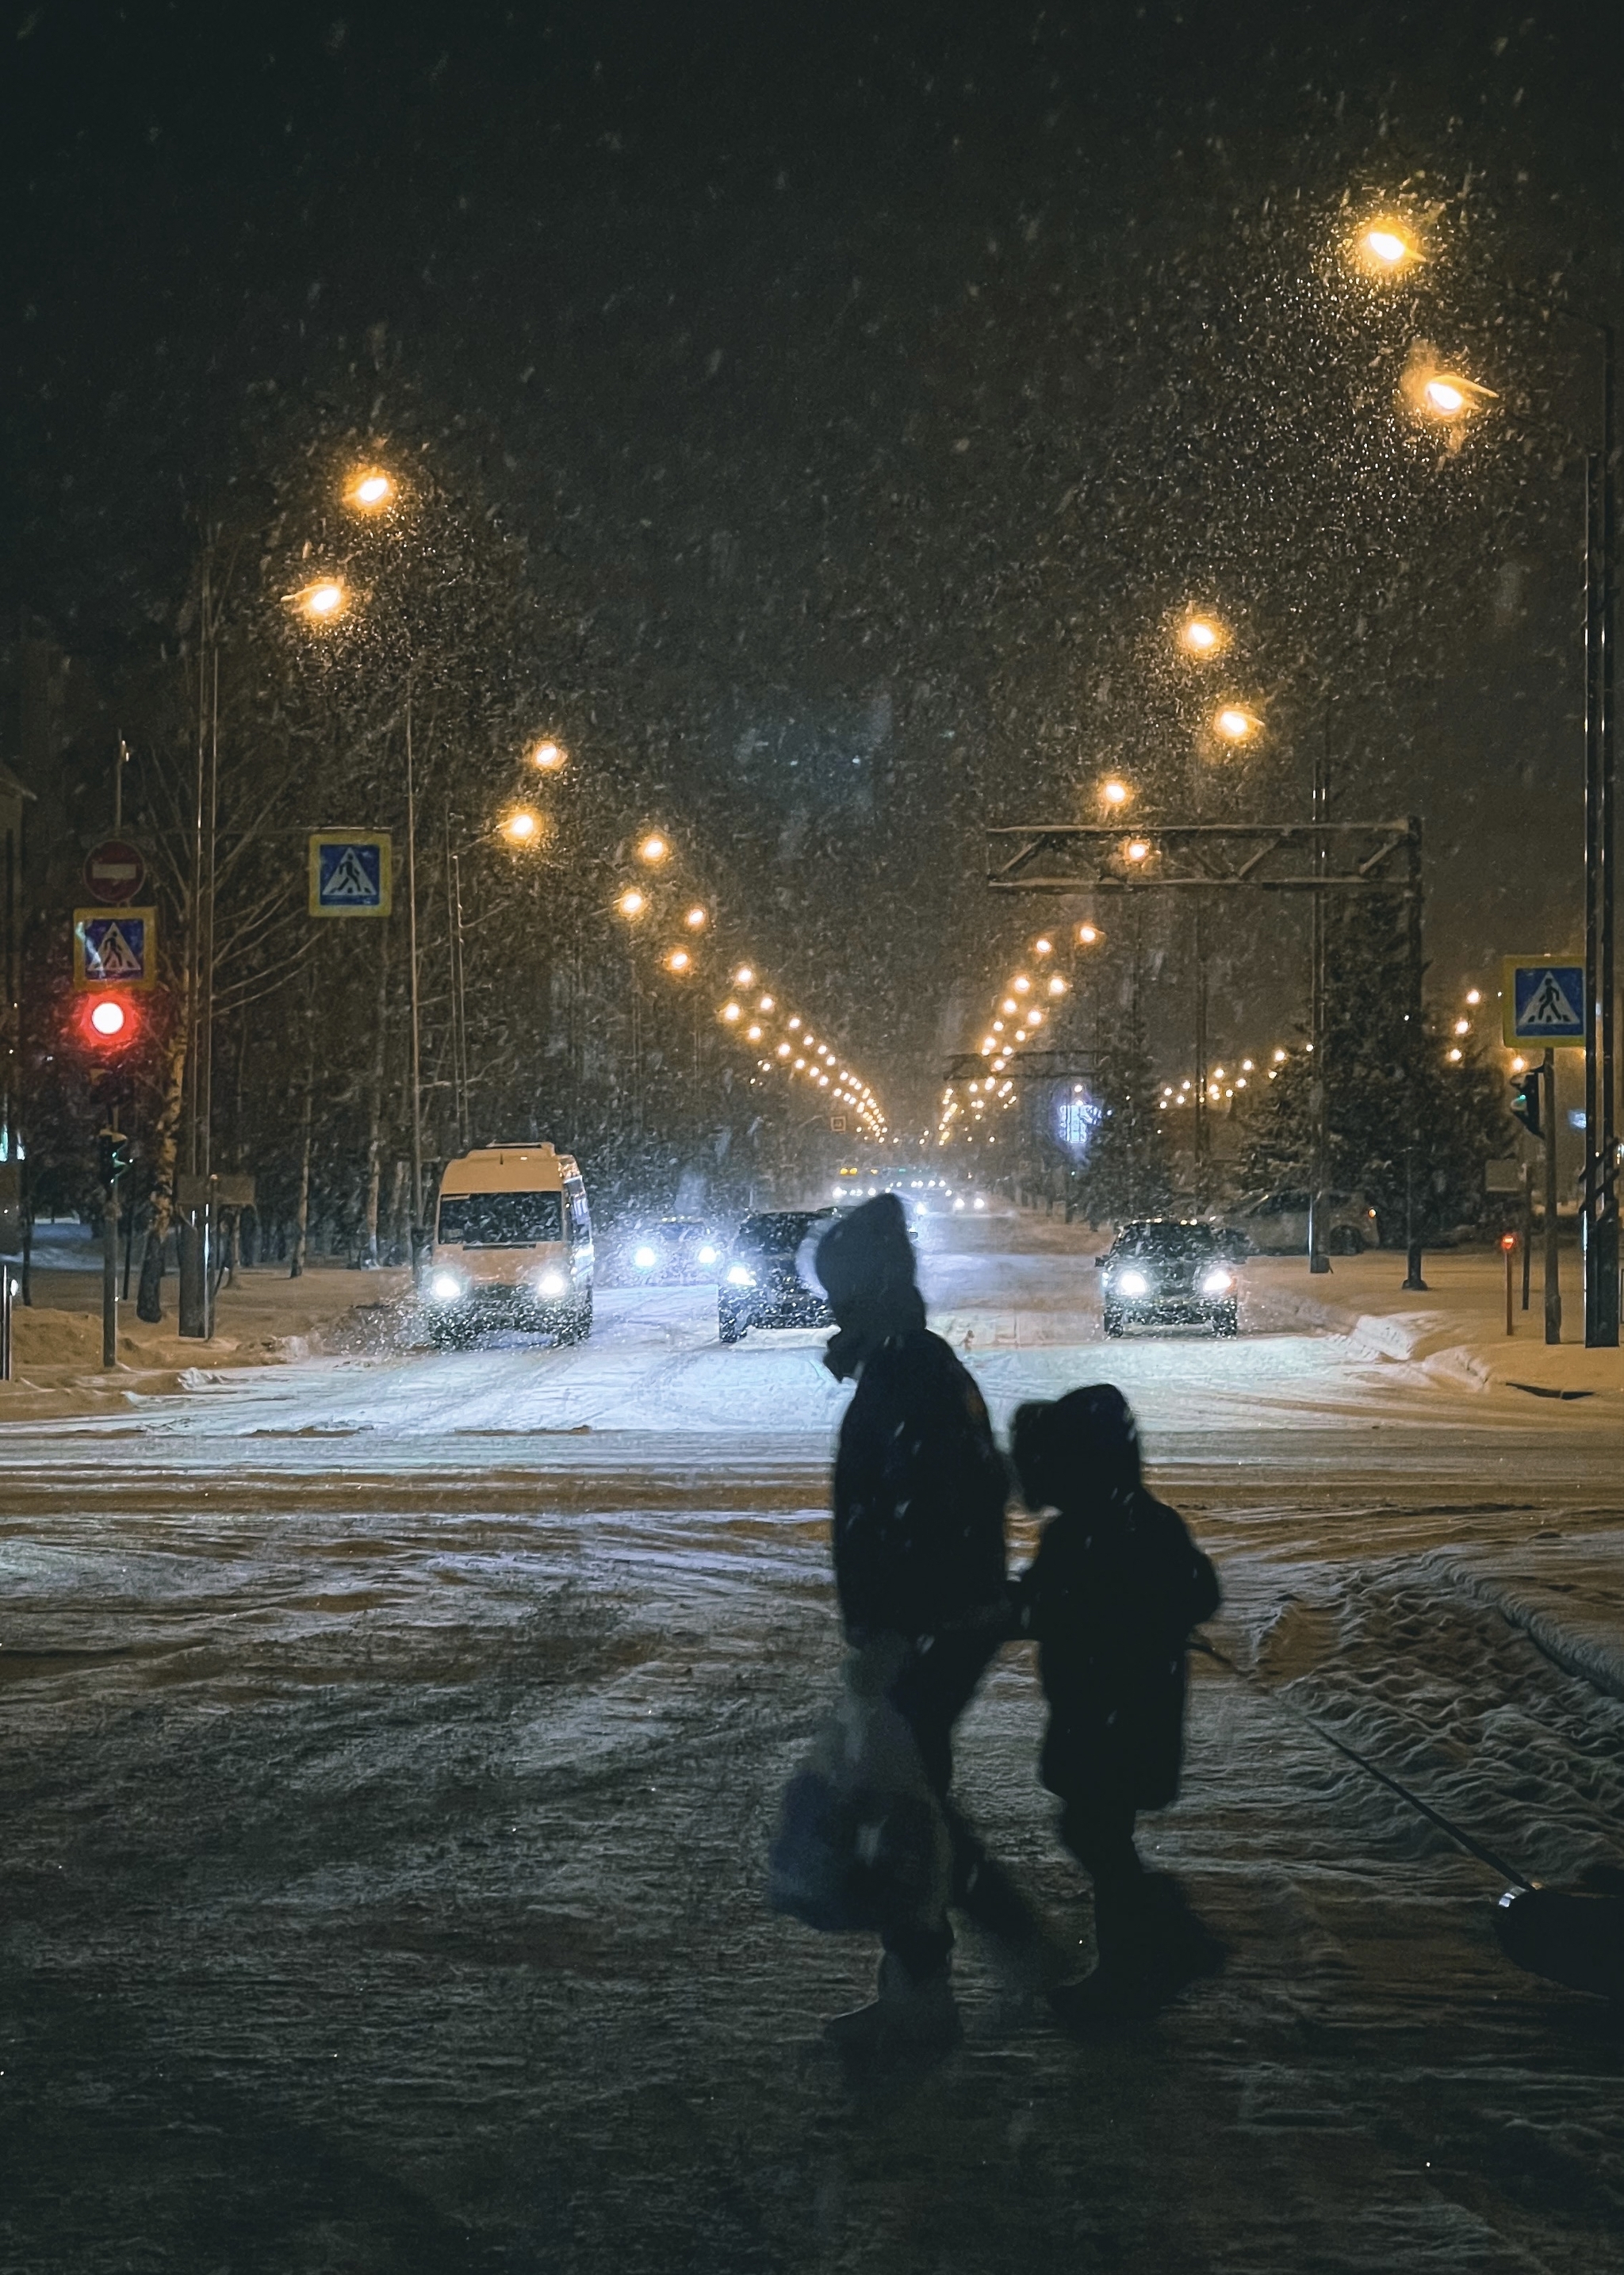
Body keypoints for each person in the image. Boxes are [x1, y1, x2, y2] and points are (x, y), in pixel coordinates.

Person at [813, 1193, 1018, 2061]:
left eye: (837, 1292)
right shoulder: (907, 1364)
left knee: (905, 1812)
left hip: (924, 1629)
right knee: (912, 1803)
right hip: (931, 1624)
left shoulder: (906, 1373)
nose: (828, 1308)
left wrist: (899, 1626)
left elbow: (924, 1513)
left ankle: (930, 1991)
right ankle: (960, 1965)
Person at [1009, 1384, 1224, 2023]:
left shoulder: (1086, 1533)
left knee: (1095, 1830)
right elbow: (1198, 1590)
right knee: (1100, 1830)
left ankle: (1143, 1959)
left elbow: (1040, 1606)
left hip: (1107, 1712)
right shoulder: (1142, 1519)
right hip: (1131, 1707)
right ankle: (1146, 1952)